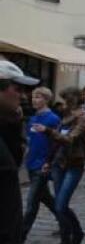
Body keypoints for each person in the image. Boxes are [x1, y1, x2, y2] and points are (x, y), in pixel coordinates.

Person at [33, 87, 85, 244]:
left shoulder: (83, 118)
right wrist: (48, 161)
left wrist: (47, 130)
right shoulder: (65, 116)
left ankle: (77, 232)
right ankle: (66, 238)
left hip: (74, 164)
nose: (63, 103)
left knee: (60, 206)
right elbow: (57, 144)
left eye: (66, 100)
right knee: (61, 207)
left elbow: (69, 139)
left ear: (73, 100)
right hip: (59, 164)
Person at [0, 60, 39, 243]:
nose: (24, 96)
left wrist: (14, 123)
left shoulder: (8, 122)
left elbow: (14, 163)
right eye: (18, 89)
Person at [23, 86, 60, 240]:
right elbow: (29, 139)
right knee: (47, 199)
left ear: (46, 99)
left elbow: (56, 143)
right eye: (33, 97)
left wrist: (48, 162)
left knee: (31, 204)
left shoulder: (53, 119)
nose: (34, 100)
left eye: (38, 97)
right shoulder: (32, 118)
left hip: (42, 166)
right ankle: (69, 223)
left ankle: (20, 236)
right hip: (31, 163)